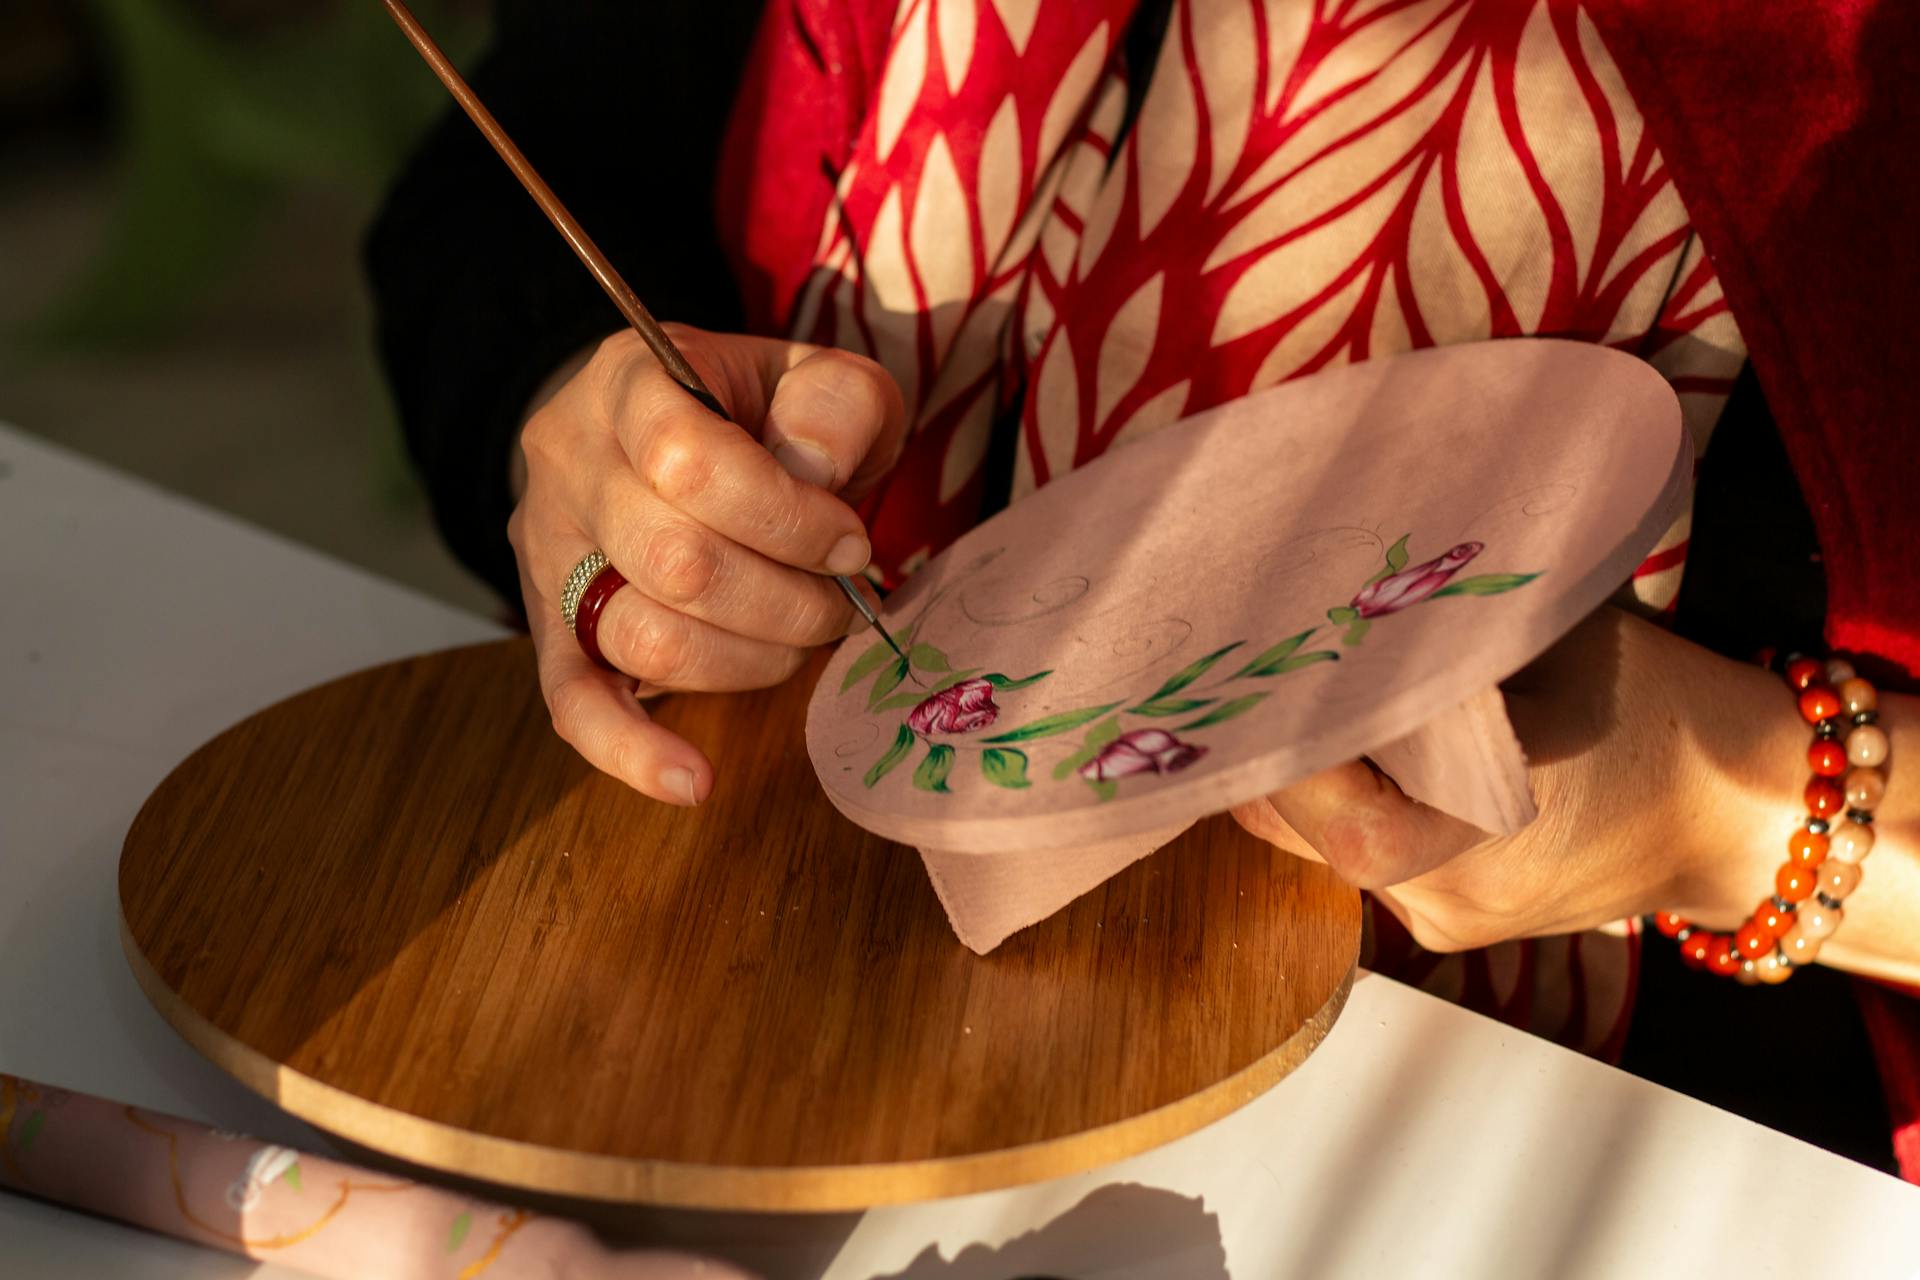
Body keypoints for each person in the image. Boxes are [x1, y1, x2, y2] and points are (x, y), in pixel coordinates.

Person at [368, 0, 1920, 1177]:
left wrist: (1745, 814)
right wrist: (588, 437)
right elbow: (523, 184)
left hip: (1602, 1166)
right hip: (802, 1053)